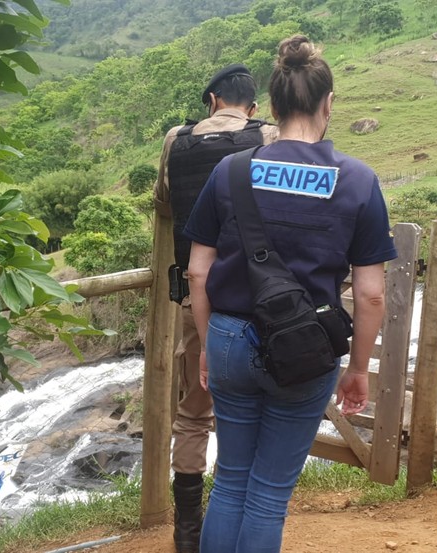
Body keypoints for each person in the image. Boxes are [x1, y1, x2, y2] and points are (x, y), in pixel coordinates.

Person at [183, 35, 397, 553]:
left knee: (231, 480)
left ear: (272, 109)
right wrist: (358, 368)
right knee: (269, 493)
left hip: (229, 337)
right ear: (328, 104)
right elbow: (370, 296)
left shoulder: (230, 171)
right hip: (307, 349)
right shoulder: (359, 181)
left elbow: (196, 273)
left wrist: (211, 342)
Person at [153, 63, 278, 553]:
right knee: (261, 407)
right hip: (262, 296)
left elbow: (164, 203)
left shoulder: (175, 140)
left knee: (193, 412)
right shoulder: (268, 135)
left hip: (196, 297)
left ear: (211, 100)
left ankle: (188, 532)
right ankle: (250, 518)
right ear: (252, 106)